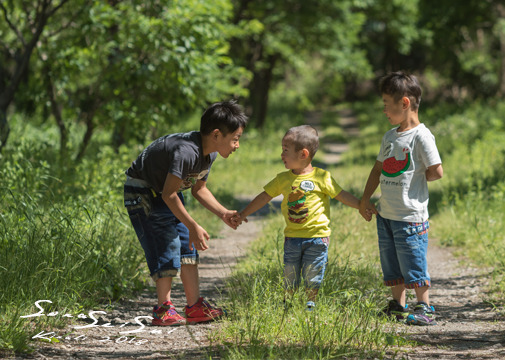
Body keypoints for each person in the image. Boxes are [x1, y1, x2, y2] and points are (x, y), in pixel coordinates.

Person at [124, 100, 248, 326]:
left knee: (187, 245)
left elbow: (198, 188)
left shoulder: (209, 154)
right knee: (166, 243)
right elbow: (169, 195)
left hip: (165, 192)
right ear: (217, 135)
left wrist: (223, 213)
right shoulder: (186, 151)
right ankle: (163, 309)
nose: (237, 145)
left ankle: (194, 307)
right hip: (144, 191)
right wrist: (193, 225)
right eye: (235, 138)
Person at [232, 125, 361, 311]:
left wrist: (362, 206)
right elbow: (264, 197)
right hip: (292, 237)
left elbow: (342, 195)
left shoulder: (322, 177)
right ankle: (287, 303)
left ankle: (311, 303)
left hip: (317, 237)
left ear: (303, 154)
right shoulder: (282, 179)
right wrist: (243, 213)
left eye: (285, 150)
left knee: (313, 272)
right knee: (290, 272)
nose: (281, 155)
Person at [359, 71, 443, 326]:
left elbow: (437, 171)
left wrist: (419, 177)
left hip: (409, 215)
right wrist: (365, 199)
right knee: (391, 263)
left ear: (404, 103)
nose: (384, 110)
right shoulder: (389, 136)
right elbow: (378, 169)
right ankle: (399, 306)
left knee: (413, 261)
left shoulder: (421, 136)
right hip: (386, 213)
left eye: (387, 105)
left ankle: (425, 306)